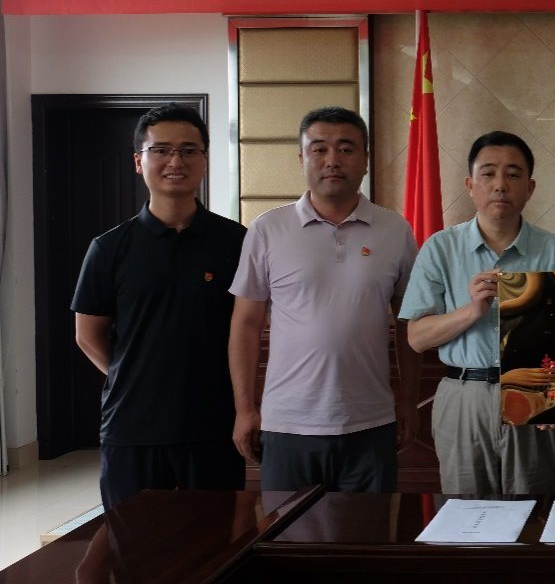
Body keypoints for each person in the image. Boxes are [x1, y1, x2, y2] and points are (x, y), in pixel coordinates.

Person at [228, 107, 419, 492]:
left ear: (365, 159)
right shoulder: (268, 229)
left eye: (346, 149)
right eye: (319, 149)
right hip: (287, 424)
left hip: (371, 422)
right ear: (302, 158)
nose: (333, 160)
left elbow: (409, 322)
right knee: (288, 529)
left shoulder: (395, 230)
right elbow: (246, 324)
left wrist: (409, 400)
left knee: (367, 527)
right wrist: (245, 408)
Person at [72, 104, 246, 510]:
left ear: (204, 159)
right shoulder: (109, 248)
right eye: (161, 150)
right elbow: (87, 334)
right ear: (139, 161)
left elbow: (250, 325)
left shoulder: (236, 242)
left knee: (216, 537)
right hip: (132, 428)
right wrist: (135, 375)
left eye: (189, 150)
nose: (175, 161)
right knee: (135, 541)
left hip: (213, 425)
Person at [400, 131, 555, 495]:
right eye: (488, 173)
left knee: (535, 507)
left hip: (535, 394)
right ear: (470, 185)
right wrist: (471, 311)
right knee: (466, 512)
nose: (500, 185)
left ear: (529, 188)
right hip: (464, 394)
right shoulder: (440, 248)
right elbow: (416, 338)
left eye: (513, 174)